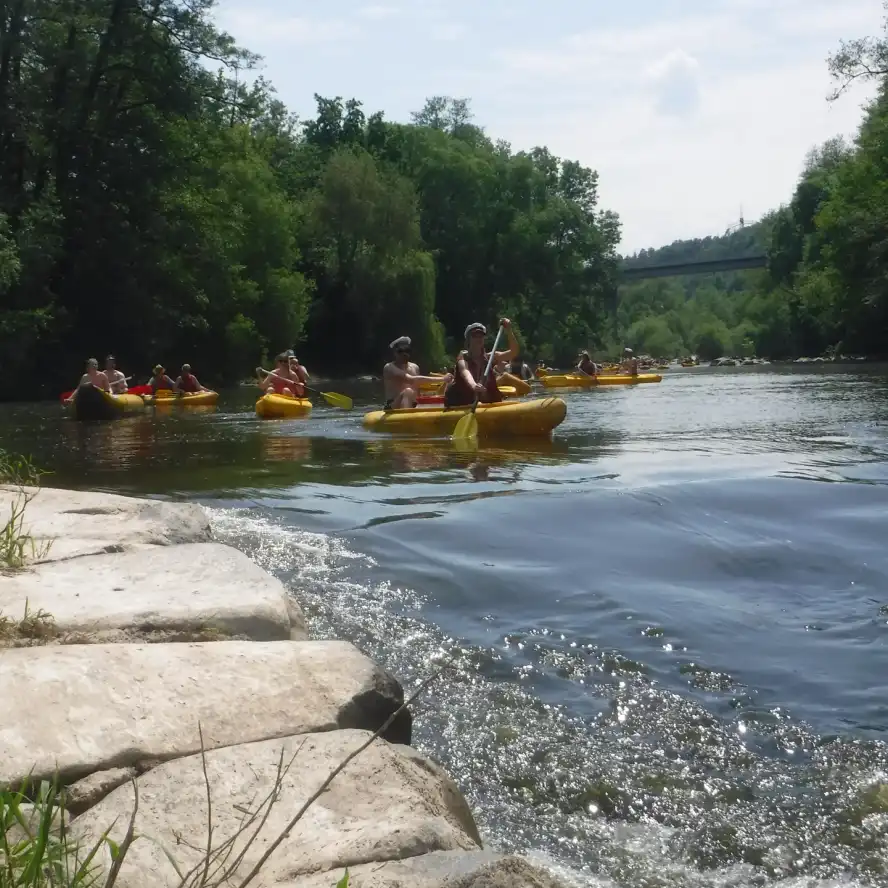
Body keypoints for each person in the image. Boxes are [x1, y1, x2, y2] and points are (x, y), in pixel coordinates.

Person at [444, 319, 519, 408]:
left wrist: (509, 330)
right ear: (468, 339)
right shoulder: (463, 358)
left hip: (484, 404)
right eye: (475, 335)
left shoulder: (490, 357)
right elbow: (465, 372)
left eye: (481, 336)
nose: (479, 338)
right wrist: (474, 385)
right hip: (461, 403)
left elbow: (514, 352)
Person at [383, 336, 452, 409]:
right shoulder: (389, 367)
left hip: (413, 403)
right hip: (393, 405)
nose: (404, 354)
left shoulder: (415, 367)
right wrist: (443, 378)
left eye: (407, 350)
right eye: (400, 351)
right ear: (395, 353)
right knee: (408, 392)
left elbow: (418, 391)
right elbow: (411, 380)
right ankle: (406, 418)